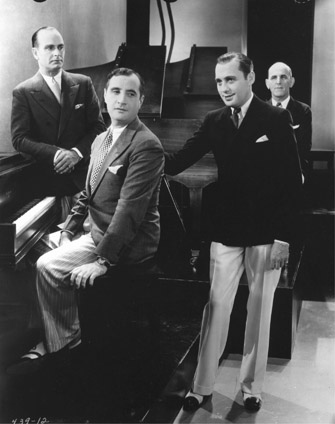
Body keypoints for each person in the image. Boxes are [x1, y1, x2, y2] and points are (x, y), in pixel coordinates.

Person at [165, 52, 302, 412]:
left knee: (260, 308)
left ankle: (251, 387)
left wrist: (284, 239)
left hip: (266, 231)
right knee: (217, 306)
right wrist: (137, 148)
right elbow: (179, 160)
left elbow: (291, 181)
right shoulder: (213, 120)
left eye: (231, 79)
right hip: (225, 230)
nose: (224, 87)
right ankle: (202, 384)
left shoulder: (276, 117)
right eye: (219, 81)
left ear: (250, 78)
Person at [7, 67, 164, 374]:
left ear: (140, 101)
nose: (122, 99)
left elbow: (129, 211)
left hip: (123, 243)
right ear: (104, 97)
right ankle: (51, 326)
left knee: (47, 265)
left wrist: (102, 261)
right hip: (94, 231)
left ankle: (66, 342)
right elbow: (87, 194)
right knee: (27, 249)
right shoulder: (102, 138)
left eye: (130, 93)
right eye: (115, 91)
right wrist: (67, 227)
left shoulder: (146, 144)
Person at [11, 26, 106, 219]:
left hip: (85, 180)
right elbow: (19, 139)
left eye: (60, 47)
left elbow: (99, 127)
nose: (57, 53)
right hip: (47, 182)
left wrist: (76, 154)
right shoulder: (23, 91)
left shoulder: (84, 83)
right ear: (35, 53)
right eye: (50, 48)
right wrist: (56, 155)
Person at [265, 62, 312, 180]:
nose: (278, 81)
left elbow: (304, 147)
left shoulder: (303, 110)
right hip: (264, 172)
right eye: (274, 77)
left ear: (291, 82)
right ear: (267, 83)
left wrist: (299, 173)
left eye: (283, 77)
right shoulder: (259, 111)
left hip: (293, 170)